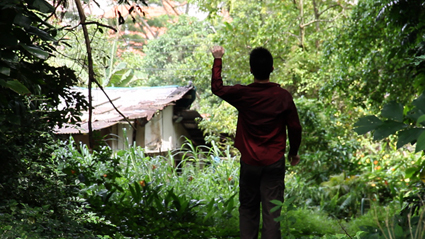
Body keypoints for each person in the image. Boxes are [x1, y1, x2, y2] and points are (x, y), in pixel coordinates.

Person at [210, 46, 302, 239]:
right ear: (272, 68)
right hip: (274, 163)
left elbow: (217, 88)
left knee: (248, 210)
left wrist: (218, 59)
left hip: (250, 162)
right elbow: (294, 128)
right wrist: (293, 153)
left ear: (251, 70)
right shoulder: (283, 97)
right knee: (272, 214)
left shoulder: (244, 95)